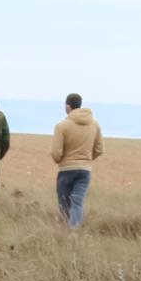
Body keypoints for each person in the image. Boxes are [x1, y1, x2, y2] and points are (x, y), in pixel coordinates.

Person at [49, 92, 103, 228]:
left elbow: (55, 152)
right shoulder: (95, 124)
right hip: (85, 170)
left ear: (68, 106)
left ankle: (63, 231)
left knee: (64, 203)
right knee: (78, 202)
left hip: (66, 169)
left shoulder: (62, 126)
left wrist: (61, 160)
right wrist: (87, 159)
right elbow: (99, 149)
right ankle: (74, 230)